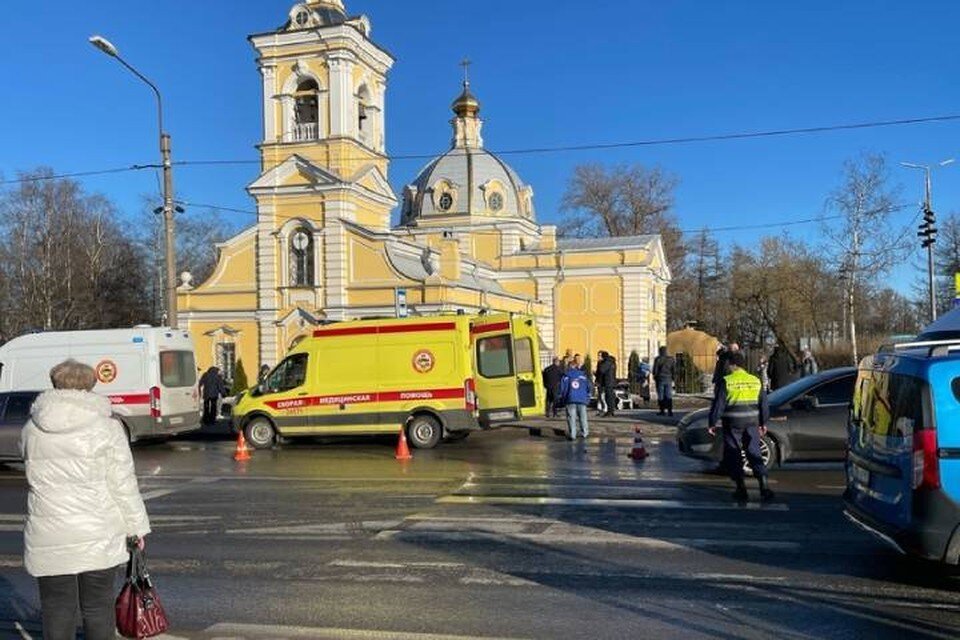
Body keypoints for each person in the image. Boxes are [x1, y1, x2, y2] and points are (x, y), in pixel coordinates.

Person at [21, 359, 151, 640]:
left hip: (49, 533)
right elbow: (123, 484)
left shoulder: (32, 428)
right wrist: (137, 528)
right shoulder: (107, 428)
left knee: (57, 609)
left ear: (55, 384)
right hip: (98, 531)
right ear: (90, 386)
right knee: (97, 608)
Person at [708, 351, 773, 503]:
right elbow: (764, 404)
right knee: (754, 452)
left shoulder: (727, 381)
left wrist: (712, 422)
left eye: (729, 364)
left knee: (734, 454)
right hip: (752, 422)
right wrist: (763, 422)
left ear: (733, 364)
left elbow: (719, 405)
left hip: (732, 422)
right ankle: (764, 486)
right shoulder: (755, 381)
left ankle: (741, 489)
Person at [559, 354, 592, 440]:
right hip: (581, 399)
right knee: (583, 417)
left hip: (570, 399)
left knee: (571, 418)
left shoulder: (566, 377)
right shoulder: (583, 376)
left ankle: (572, 434)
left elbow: (563, 389)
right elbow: (589, 387)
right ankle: (585, 433)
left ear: (569, 367)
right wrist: (587, 397)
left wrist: (563, 398)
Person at [595, 351, 618, 417]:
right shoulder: (610, 361)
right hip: (609, 382)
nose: (599, 357)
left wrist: (599, 363)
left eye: (600, 356)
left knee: (609, 397)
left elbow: (602, 370)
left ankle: (610, 411)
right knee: (609, 397)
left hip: (608, 382)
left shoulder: (607, 362)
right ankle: (611, 411)